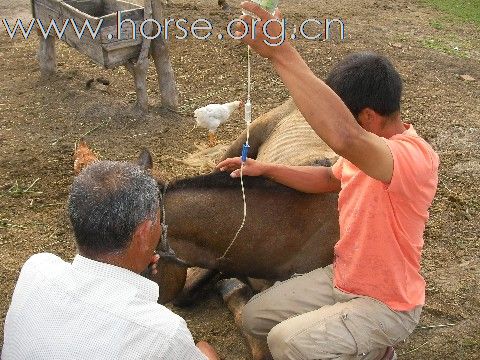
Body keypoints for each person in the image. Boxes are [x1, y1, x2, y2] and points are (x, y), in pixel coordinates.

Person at [217, 2, 439, 360]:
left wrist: (281, 53)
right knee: (256, 318)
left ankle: (377, 350)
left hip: (387, 302)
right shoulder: (368, 153)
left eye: (346, 117)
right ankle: (339, 334)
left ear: (367, 117)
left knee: (286, 343)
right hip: (344, 277)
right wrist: (266, 169)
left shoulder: (414, 158)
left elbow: (344, 138)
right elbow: (328, 177)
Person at [2, 161, 218, 360]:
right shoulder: (163, 333)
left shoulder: (37, 269)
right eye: (159, 224)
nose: (161, 230)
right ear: (143, 233)